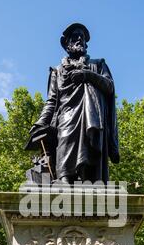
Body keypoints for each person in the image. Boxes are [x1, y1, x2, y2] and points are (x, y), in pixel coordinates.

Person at [26, 23, 120, 184]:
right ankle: (64, 181)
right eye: (75, 37)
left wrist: (87, 75)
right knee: (65, 139)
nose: (79, 40)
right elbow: (51, 100)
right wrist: (41, 122)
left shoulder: (98, 65)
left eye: (82, 38)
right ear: (66, 44)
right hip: (67, 114)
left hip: (92, 115)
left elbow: (109, 86)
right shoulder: (57, 71)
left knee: (90, 147)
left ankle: (89, 183)